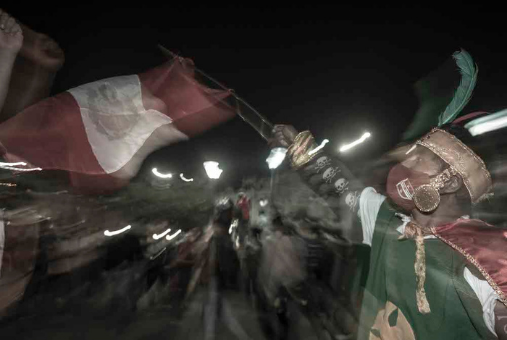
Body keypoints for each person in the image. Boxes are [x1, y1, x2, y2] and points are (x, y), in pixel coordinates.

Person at [271, 119, 507, 339]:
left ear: (451, 182)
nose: (404, 164)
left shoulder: (486, 254)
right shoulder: (386, 219)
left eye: (418, 159)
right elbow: (335, 184)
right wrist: (302, 146)